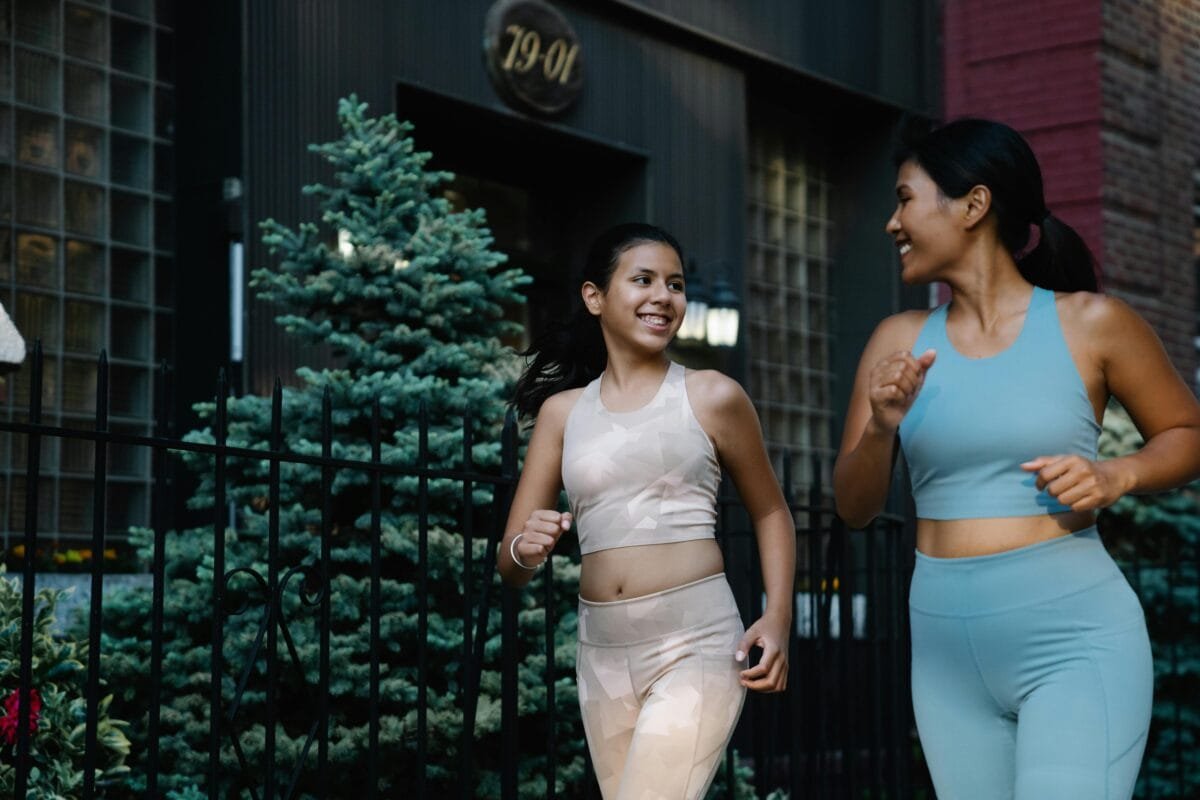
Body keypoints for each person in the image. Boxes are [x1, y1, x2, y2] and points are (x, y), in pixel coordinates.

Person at [833, 118, 1200, 799]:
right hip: (944, 651)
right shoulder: (898, 339)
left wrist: (1116, 474)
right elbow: (854, 509)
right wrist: (882, 427)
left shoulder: (1092, 323)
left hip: (1073, 638)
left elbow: (1186, 433)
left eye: (906, 199)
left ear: (972, 205)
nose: (892, 222)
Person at [498, 223, 796, 799]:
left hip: (695, 642)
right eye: (643, 280)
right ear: (595, 297)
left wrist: (778, 615)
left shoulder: (712, 395)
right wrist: (524, 548)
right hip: (600, 652)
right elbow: (509, 564)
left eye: (675, 284)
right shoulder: (562, 414)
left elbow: (772, 512)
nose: (664, 296)